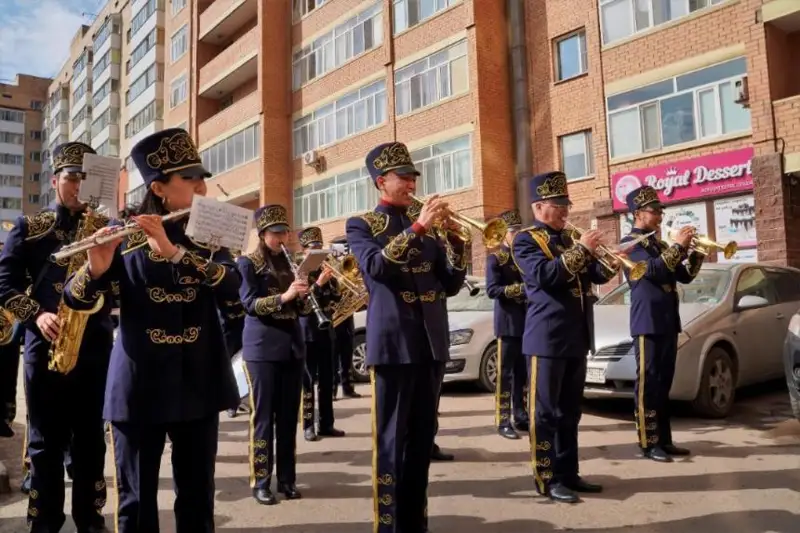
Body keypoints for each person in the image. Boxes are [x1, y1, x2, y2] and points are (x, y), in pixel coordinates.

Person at [62, 128, 241, 533]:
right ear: (158, 188)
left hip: (198, 379)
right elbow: (76, 300)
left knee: (197, 498)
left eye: (201, 177)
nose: (201, 186)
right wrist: (95, 268)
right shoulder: (123, 235)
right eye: (189, 178)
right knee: (137, 502)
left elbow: (235, 287)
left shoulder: (211, 231)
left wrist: (175, 253)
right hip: (139, 385)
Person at [346, 141, 468, 532]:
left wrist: (459, 245)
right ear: (381, 181)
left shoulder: (429, 229)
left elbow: (450, 284)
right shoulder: (362, 225)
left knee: (421, 440)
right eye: (404, 177)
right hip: (394, 345)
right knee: (391, 441)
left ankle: (415, 522)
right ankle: (389, 524)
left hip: (431, 343)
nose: (412, 183)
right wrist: (419, 227)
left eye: (414, 177)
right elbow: (376, 267)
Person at [0, 141, 113, 532]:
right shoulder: (29, 228)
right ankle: (44, 523)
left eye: (87, 178)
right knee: (45, 443)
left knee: (91, 442)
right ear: (54, 181)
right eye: (72, 177)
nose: (79, 186)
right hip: (45, 347)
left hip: (94, 348)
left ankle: (90, 520)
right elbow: (4, 286)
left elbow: (121, 287)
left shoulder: (106, 229)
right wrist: (37, 315)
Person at [511, 171, 616, 504]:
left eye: (566, 204)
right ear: (538, 206)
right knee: (545, 413)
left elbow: (597, 275)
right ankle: (547, 477)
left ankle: (569, 473)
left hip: (576, 336)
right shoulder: (526, 240)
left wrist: (612, 257)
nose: (565, 211)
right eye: (558, 205)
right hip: (546, 338)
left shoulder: (570, 239)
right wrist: (582, 250)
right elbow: (546, 276)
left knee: (570, 411)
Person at [621, 185, 702, 462]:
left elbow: (684, 276)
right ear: (638, 214)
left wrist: (696, 253)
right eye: (654, 211)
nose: (659, 216)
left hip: (667, 320)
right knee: (649, 383)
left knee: (664, 383)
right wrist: (679, 246)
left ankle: (664, 440)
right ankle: (648, 441)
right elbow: (654, 271)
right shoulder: (629, 244)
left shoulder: (659, 245)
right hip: (647, 321)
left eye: (660, 211)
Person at [237, 204, 308, 505]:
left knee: (289, 418)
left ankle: (288, 480)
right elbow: (250, 304)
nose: (282, 238)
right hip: (263, 349)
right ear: (263, 234)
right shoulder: (248, 263)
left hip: (292, 347)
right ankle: (261, 481)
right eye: (276, 233)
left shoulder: (293, 262)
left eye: (285, 232)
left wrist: (305, 294)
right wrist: (286, 295)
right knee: (263, 417)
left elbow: (301, 310)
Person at [297, 226, 345, 442]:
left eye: (319, 246)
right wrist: (318, 284)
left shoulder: (326, 271)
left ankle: (326, 424)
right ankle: (308, 425)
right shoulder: (299, 272)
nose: (317, 250)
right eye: (313, 247)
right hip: (307, 333)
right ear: (304, 250)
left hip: (327, 331)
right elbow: (303, 302)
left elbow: (336, 299)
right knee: (308, 382)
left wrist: (336, 282)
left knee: (327, 380)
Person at [485, 208, 530, 440]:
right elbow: (493, 290)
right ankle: (503, 420)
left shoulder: (524, 257)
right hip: (508, 323)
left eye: (519, 230)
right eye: (513, 231)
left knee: (523, 373)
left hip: (527, 322)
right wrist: (522, 289)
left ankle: (521, 415)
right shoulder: (496, 258)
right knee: (505, 374)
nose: (517, 235)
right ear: (503, 234)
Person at [329, 236, 361, 400]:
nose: (343, 253)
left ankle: (348, 387)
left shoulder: (350, 267)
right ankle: (333, 388)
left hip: (347, 316)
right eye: (341, 249)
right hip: (334, 317)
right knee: (333, 354)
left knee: (347, 353)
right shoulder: (329, 267)